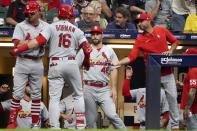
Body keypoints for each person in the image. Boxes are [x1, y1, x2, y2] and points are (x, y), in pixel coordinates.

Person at [9, 4, 92, 129]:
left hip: (55, 63)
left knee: (54, 98)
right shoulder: (77, 30)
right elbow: (87, 48)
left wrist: (18, 50)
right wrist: (87, 62)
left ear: (58, 15)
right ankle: (80, 124)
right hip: (71, 62)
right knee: (78, 94)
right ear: (70, 16)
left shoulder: (51, 27)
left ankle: (54, 126)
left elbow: (38, 41)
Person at [114, 12, 180, 129]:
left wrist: (170, 51)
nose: (139, 23)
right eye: (138, 22)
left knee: (173, 98)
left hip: (167, 73)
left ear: (149, 20)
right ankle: (151, 125)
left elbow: (175, 42)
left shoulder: (161, 30)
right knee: (151, 101)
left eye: (141, 21)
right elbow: (132, 57)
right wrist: (119, 62)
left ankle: (174, 126)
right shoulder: (140, 39)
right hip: (152, 75)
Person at [7, 1, 49, 129]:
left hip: (38, 61)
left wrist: (27, 43)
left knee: (36, 94)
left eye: (31, 13)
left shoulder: (46, 26)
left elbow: (24, 44)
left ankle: (35, 122)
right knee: (17, 93)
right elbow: (16, 44)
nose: (28, 15)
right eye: (27, 13)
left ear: (38, 12)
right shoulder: (20, 25)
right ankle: (12, 121)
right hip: (22, 61)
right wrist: (35, 42)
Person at [76, 25, 126, 129]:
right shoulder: (84, 50)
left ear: (102, 35)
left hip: (104, 89)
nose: (95, 36)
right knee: (90, 120)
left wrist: (113, 88)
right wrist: (79, 85)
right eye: (93, 34)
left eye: (97, 34)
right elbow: (76, 67)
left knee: (112, 115)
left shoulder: (109, 50)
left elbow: (114, 68)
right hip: (88, 88)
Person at [180, 48, 197, 130]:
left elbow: (193, 91)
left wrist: (187, 108)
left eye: (187, 57)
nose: (184, 59)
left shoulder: (194, 70)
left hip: (193, 110)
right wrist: (183, 85)